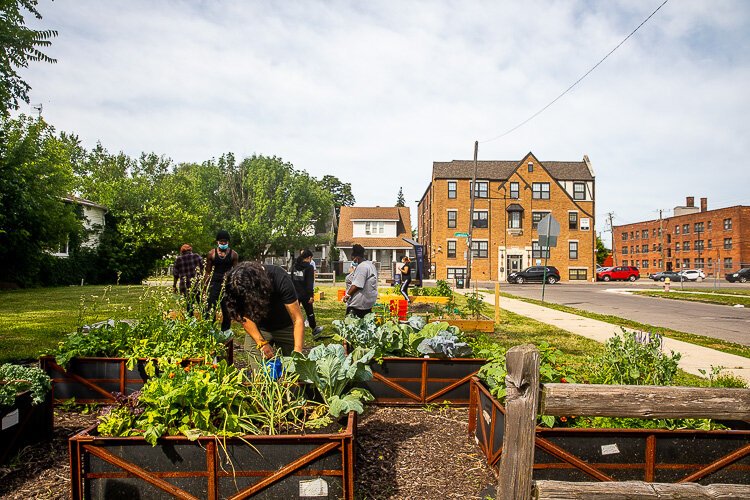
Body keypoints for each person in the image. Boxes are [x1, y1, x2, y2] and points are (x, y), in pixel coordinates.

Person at [223, 261, 305, 367]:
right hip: (258, 327)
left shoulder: (279, 277)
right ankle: (260, 382)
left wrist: (298, 352)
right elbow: (243, 316)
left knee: (296, 370)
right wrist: (261, 343)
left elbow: (297, 319)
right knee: (258, 370)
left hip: (286, 325)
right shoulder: (237, 283)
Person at [204, 230, 238, 333]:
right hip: (214, 283)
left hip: (227, 283)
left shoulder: (233, 255)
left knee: (227, 309)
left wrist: (235, 286)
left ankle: (225, 331)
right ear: (217, 242)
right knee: (210, 308)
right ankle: (210, 329)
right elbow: (207, 272)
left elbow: (236, 272)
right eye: (221, 241)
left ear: (228, 242)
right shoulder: (212, 254)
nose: (223, 243)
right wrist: (204, 288)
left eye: (225, 241)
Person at [292, 249, 324, 339]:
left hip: (295, 293)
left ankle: (292, 331)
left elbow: (291, 279)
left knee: (294, 313)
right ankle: (314, 329)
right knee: (309, 312)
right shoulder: (309, 267)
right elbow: (309, 283)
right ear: (309, 257)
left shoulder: (294, 266)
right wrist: (311, 295)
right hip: (305, 294)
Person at [341, 244, 378, 318]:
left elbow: (357, 284)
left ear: (356, 258)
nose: (353, 261)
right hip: (368, 302)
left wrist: (347, 295)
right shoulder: (370, 265)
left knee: (351, 326)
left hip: (358, 304)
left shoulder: (362, 267)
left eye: (353, 259)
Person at [172, 244, 203, 316]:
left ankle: (190, 320)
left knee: (189, 304)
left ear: (181, 252)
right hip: (197, 284)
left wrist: (174, 286)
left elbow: (175, 274)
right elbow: (204, 267)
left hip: (185, 286)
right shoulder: (196, 256)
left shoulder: (178, 259)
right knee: (201, 302)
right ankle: (205, 319)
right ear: (190, 250)